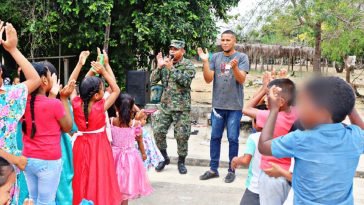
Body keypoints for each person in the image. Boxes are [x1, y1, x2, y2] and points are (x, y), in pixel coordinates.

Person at [259, 76, 364, 204]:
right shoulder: (354, 137)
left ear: (322, 112)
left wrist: (274, 109)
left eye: (303, 105)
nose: (299, 110)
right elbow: (361, 130)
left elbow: (264, 146)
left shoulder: (302, 139)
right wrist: (347, 104)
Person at [198, 30, 250, 183]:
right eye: (222, 40)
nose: (225, 42)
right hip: (218, 106)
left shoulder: (242, 57)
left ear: (234, 41)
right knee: (215, 137)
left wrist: (234, 68)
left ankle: (231, 170)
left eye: (228, 40)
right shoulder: (216, 57)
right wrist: (206, 62)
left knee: (233, 138)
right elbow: (208, 79)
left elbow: (241, 80)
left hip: (234, 106)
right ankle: (213, 169)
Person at [20, 62, 74, 205]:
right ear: (44, 80)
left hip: (28, 160)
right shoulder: (54, 104)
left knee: (33, 199)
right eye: (51, 76)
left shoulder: (22, 103)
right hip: (49, 161)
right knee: (46, 201)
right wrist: (63, 98)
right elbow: (68, 127)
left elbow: (39, 111)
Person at [0, 21, 40, 205]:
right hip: (10, 167)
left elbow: (34, 79)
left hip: (8, 172)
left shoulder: (9, 95)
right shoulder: (8, 95)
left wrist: (13, 49)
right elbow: (35, 79)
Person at [71, 61, 121, 205]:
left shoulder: (76, 103)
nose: (104, 89)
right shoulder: (100, 106)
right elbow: (116, 89)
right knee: (98, 176)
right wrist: (103, 71)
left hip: (80, 144)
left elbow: (78, 84)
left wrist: (83, 66)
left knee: (81, 176)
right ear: (96, 95)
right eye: (101, 88)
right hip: (99, 145)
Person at [243, 73, 296, 205]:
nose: (267, 99)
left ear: (281, 102)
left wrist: (263, 89)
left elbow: (246, 109)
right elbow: (292, 96)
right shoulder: (297, 113)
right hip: (289, 173)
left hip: (271, 173)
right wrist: (286, 84)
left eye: (269, 96)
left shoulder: (270, 116)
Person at [150, 40, 196, 174]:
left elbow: (186, 81)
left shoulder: (188, 65)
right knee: (158, 131)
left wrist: (172, 69)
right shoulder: (165, 63)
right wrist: (159, 67)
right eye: (171, 48)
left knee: (182, 135)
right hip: (165, 106)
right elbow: (152, 80)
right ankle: (164, 158)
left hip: (182, 108)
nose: (172, 51)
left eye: (176, 49)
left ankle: (181, 161)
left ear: (183, 51)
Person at [111, 93, 153, 205]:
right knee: (126, 187)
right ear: (132, 109)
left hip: (113, 157)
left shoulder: (111, 122)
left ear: (116, 107)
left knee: (113, 186)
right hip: (129, 159)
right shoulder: (135, 124)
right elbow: (139, 140)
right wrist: (143, 154)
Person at [231, 105, 266, 205]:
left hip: (255, 187)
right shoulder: (279, 135)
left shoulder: (254, 138)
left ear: (257, 123)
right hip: (273, 188)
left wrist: (235, 160)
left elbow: (246, 160)